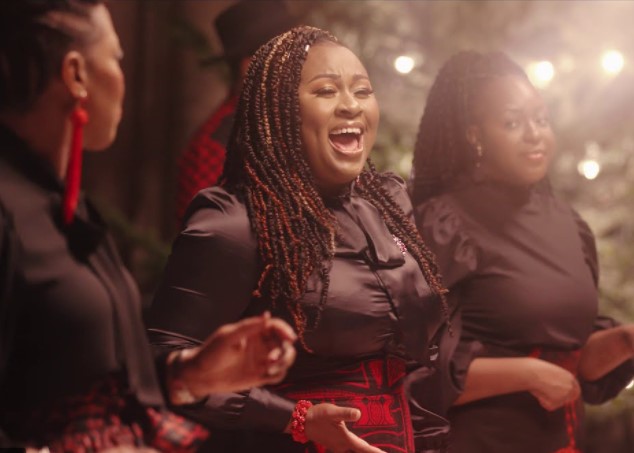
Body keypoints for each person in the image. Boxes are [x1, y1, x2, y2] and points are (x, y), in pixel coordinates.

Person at [0, 0, 297, 450]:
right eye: (116, 58)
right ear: (76, 74)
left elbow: (89, 385)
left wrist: (190, 373)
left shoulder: (61, 205)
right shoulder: (9, 209)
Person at [148, 25, 450, 453]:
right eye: (327, 91)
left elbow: (424, 369)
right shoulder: (235, 221)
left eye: (363, 91)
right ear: (279, 112)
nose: (351, 105)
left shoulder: (391, 203)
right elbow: (158, 367)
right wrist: (295, 418)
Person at [409, 50, 634, 452]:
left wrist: (624, 342)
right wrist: (526, 374)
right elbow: (411, 371)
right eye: (513, 122)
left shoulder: (568, 223)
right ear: (474, 135)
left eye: (541, 118)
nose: (535, 134)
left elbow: (574, 362)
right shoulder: (444, 225)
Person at [175, 0, 297, 224]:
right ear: (250, 65)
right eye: (285, 52)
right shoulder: (212, 149)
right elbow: (204, 246)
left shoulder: (296, 126)